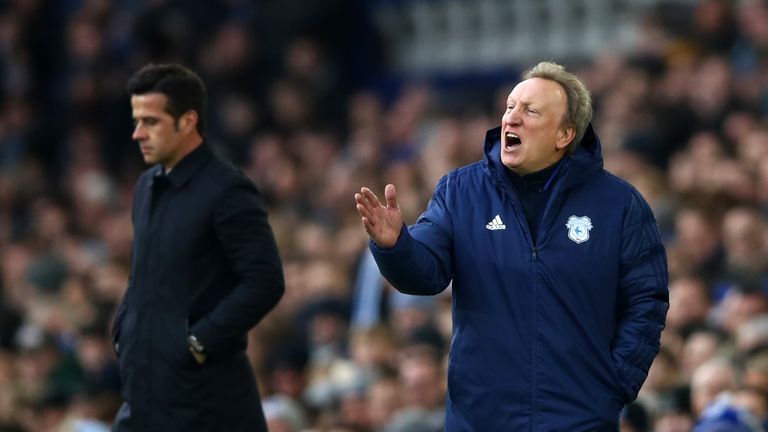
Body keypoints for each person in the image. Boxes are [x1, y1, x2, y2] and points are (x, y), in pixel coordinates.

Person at [354, 61, 669, 431]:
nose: (511, 119)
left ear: (564, 134)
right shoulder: (461, 192)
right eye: (509, 107)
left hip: (580, 416)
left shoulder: (618, 205)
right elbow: (427, 274)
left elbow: (646, 300)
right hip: (482, 416)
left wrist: (613, 383)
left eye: (530, 110)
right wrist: (396, 246)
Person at [111, 63, 284, 431]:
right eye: (136, 120)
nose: (137, 133)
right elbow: (144, 275)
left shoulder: (227, 189)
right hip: (145, 391)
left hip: (205, 399)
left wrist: (197, 342)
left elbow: (265, 280)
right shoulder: (146, 186)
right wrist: (126, 328)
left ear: (187, 121)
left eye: (151, 121)